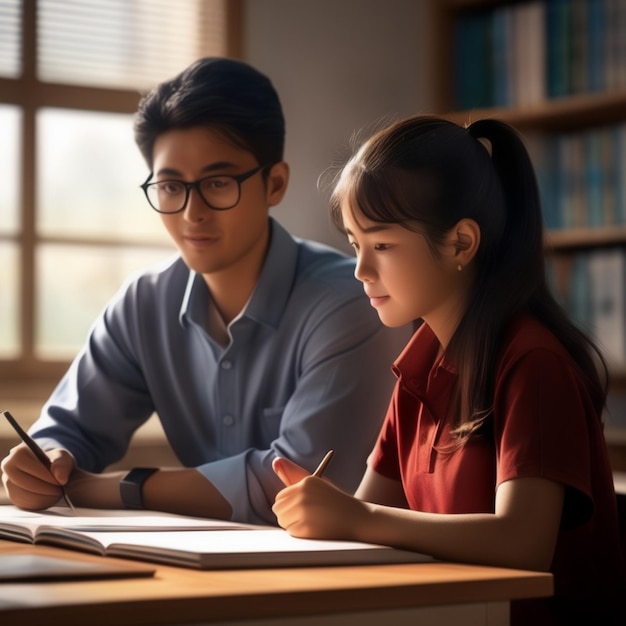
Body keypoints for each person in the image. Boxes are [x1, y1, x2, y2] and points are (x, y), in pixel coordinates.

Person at [0, 57, 409, 524]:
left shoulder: (352, 301)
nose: (192, 212)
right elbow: (66, 433)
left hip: (338, 572)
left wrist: (115, 488)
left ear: (274, 183)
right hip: (198, 566)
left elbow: (297, 482)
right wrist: (41, 464)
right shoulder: (144, 303)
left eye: (218, 183)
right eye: (171, 186)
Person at [272, 114, 626, 624]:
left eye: (383, 245)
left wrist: (358, 517)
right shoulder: (420, 364)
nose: (361, 270)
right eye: (355, 245)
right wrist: (330, 515)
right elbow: (367, 521)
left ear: (461, 243)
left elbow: (523, 542)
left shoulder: (534, 363)